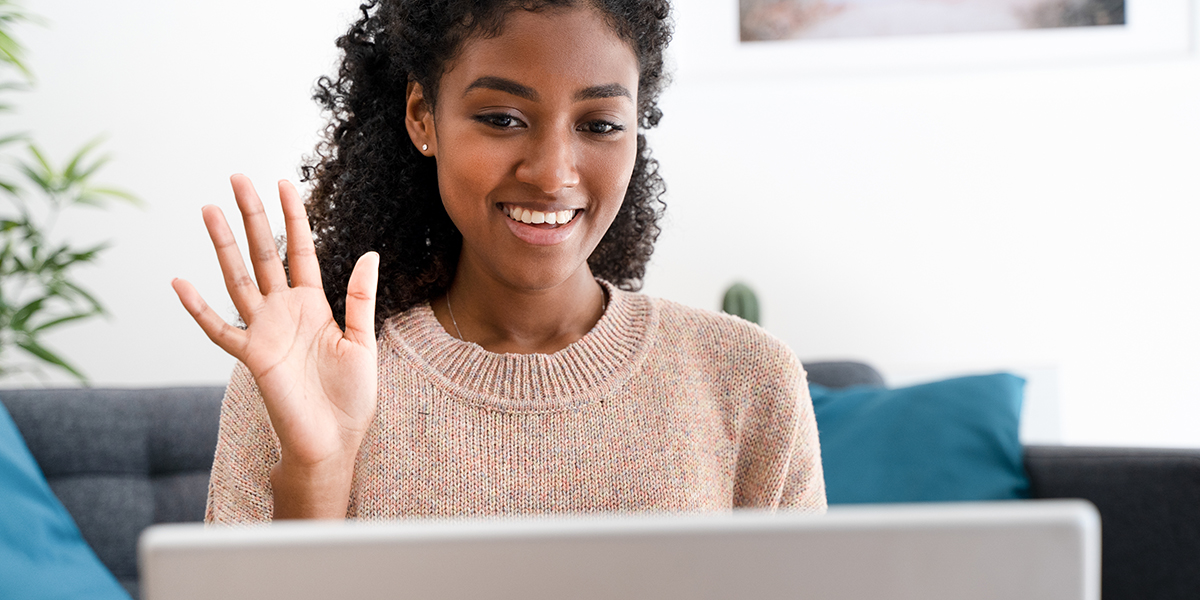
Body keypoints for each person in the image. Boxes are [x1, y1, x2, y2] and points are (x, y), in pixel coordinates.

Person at [172, 0, 826, 523]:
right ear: (424, 116)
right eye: (503, 117)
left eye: (599, 125)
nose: (551, 174)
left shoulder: (748, 382)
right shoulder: (309, 375)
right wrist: (317, 469)